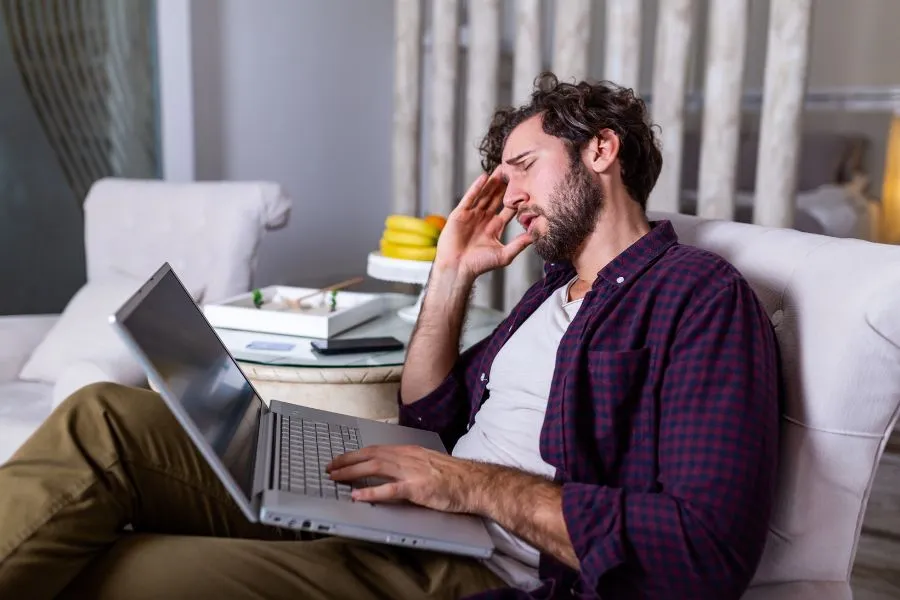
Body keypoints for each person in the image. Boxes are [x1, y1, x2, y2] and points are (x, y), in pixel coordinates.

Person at [0, 73, 781, 599]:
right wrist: (450, 274)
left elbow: (703, 552)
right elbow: (429, 414)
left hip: (487, 570)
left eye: (523, 167)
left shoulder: (698, 297)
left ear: (601, 150)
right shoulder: (549, 295)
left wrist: (467, 486)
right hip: (420, 510)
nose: (507, 196)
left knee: (122, 569)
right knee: (104, 413)